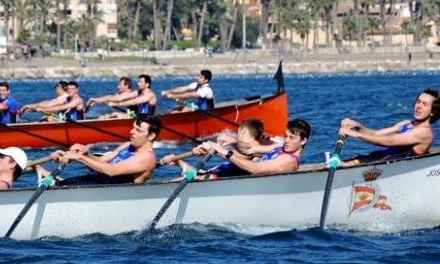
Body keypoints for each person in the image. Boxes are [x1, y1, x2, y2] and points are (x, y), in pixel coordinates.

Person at [36, 114, 162, 185]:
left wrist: (80, 158)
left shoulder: (146, 158)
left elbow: (112, 171)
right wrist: (85, 153)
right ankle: (41, 172)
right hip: (93, 181)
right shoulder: (128, 145)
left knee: (55, 183)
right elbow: (101, 161)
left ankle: (43, 173)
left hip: (109, 194)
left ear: (151, 136)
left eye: (138, 130)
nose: (131, 132)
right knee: (55, 181)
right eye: (133, 127)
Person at [174, 119, 310, 178]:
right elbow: (249, 150)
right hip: (240, 174)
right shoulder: (282, 147)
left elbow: (254, 168)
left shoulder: (288, 160)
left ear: (303, 141)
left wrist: (222, 150)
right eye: (286, 136)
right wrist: (218, 146)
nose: (286, 141)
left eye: (292, 138)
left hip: (248, 182)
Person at [339, 89, 438, 165]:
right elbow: (376, 134)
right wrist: (357, 125)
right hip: (375, 158)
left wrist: (356, 135)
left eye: (424, 104)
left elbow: (388, 141)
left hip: (386, 168)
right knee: (328, 165)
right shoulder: (406, 123)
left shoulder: (424, 133)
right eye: (418, 102)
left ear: (432, 111)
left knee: (339, 165)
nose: (419, 106)